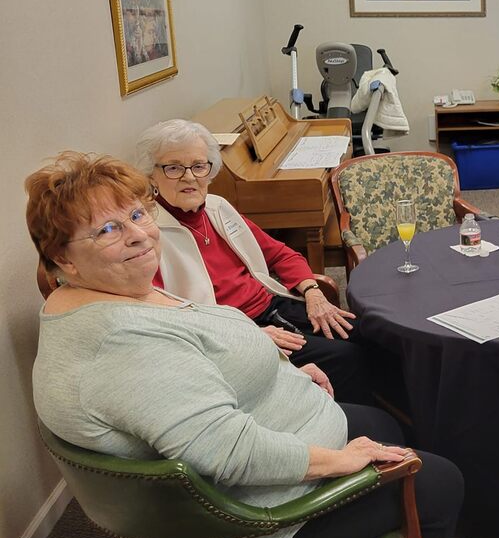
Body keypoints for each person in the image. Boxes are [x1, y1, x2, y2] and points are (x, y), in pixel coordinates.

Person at [26, 152, 463, 538]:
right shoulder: (118, 346)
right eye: (107, 230)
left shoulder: (106, 293)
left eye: (137, 214)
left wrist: (281, 374)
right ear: (65, 258)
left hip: (257, 465)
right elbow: (228, 452)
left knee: (380, 422)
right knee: (442, 482)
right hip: (240, 534)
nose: (139, 236)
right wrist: (340, 462)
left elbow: (185, 376)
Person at [134, 120, 374, 405]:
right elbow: (168, 316)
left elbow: (280, 254)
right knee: (347, 357)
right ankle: (351, 430)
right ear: (152, 175)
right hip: (231, 335)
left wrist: (312, 292)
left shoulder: (217, 207)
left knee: (368, 332)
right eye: (173, 168)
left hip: (273, 306)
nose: (189, 177)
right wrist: (248, 335)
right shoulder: (149, 233)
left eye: (199, 166)